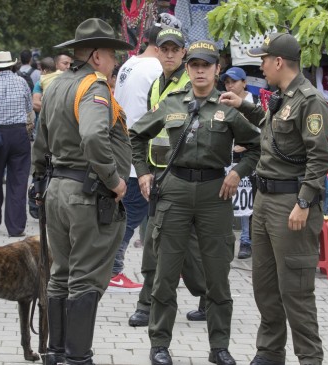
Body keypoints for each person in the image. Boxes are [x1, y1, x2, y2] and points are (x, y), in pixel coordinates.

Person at [130, 40, 261, 365]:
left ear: (217, 69)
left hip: (215, 194)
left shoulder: (229, 106)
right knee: (166, 272)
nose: (200, 70)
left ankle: (219, 347)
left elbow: (256, 145)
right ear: (188, 69)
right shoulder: (172, 103)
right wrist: (143, 173)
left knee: (217, 274)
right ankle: (159, 344)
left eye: (207, 65)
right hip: (174, 191)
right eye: (195, 65)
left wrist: (238, 173)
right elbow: (135, 135)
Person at [220, 33, 328, 365]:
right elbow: (273, 128)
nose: (261, 66)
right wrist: (243, 106)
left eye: (264, 60)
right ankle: (269, 354)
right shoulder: (282, 97)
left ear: (279, 62)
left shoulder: (311, 101)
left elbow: (320, 158)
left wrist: (304, 202)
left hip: (291, 204)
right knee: (265, 286)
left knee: (295, 292)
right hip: (265, 201)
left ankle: (309, 358)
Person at [32, 18, 133, 365]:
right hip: (85, 193)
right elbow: (93, 136)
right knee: (85, 278)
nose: (114, 62)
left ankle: (55, 353)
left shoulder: (56, 85)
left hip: (57, 190)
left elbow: (40, 141)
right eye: (110, 54)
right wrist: (115, 181)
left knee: (61, 274)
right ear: (95, 56)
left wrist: (38, 180)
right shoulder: (94, 87)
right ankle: (78, 358)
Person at [128, 27, 208, 328]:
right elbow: (147, 130)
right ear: (157, 52)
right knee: (154, 242)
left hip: (186, 176)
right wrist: (145, 171)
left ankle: (208, 297)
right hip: (159, 174)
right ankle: (148, 302)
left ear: (183, 53)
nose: (170, 54)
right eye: (165, 49)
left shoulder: (191, 84)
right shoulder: (156, 83)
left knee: (189, 247)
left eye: (176, 49)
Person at [110, 22, 164, 292]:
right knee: (132, 215)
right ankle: (114, 269)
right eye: (168, 48)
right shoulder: (155, 68)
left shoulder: (131, 63)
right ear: (158, 46)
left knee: (129, 213)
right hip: (140, 154)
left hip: (124, 148)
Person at [0, 51, 33, 237]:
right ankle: (16, 227)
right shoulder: (22, 82)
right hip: (19, 135)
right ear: (12, 65)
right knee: (18, 182)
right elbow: (29, 109)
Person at [221, 66, 254, 259]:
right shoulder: (222, 102)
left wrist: (248, 146)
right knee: (228, 199)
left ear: (244, 82)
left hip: (248, 160)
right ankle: (225, 242)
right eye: (226, 82)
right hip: (227, 158)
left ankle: (246, 241)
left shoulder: (255, 103)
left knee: (246, 200)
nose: (230, 85)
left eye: (234, 81)